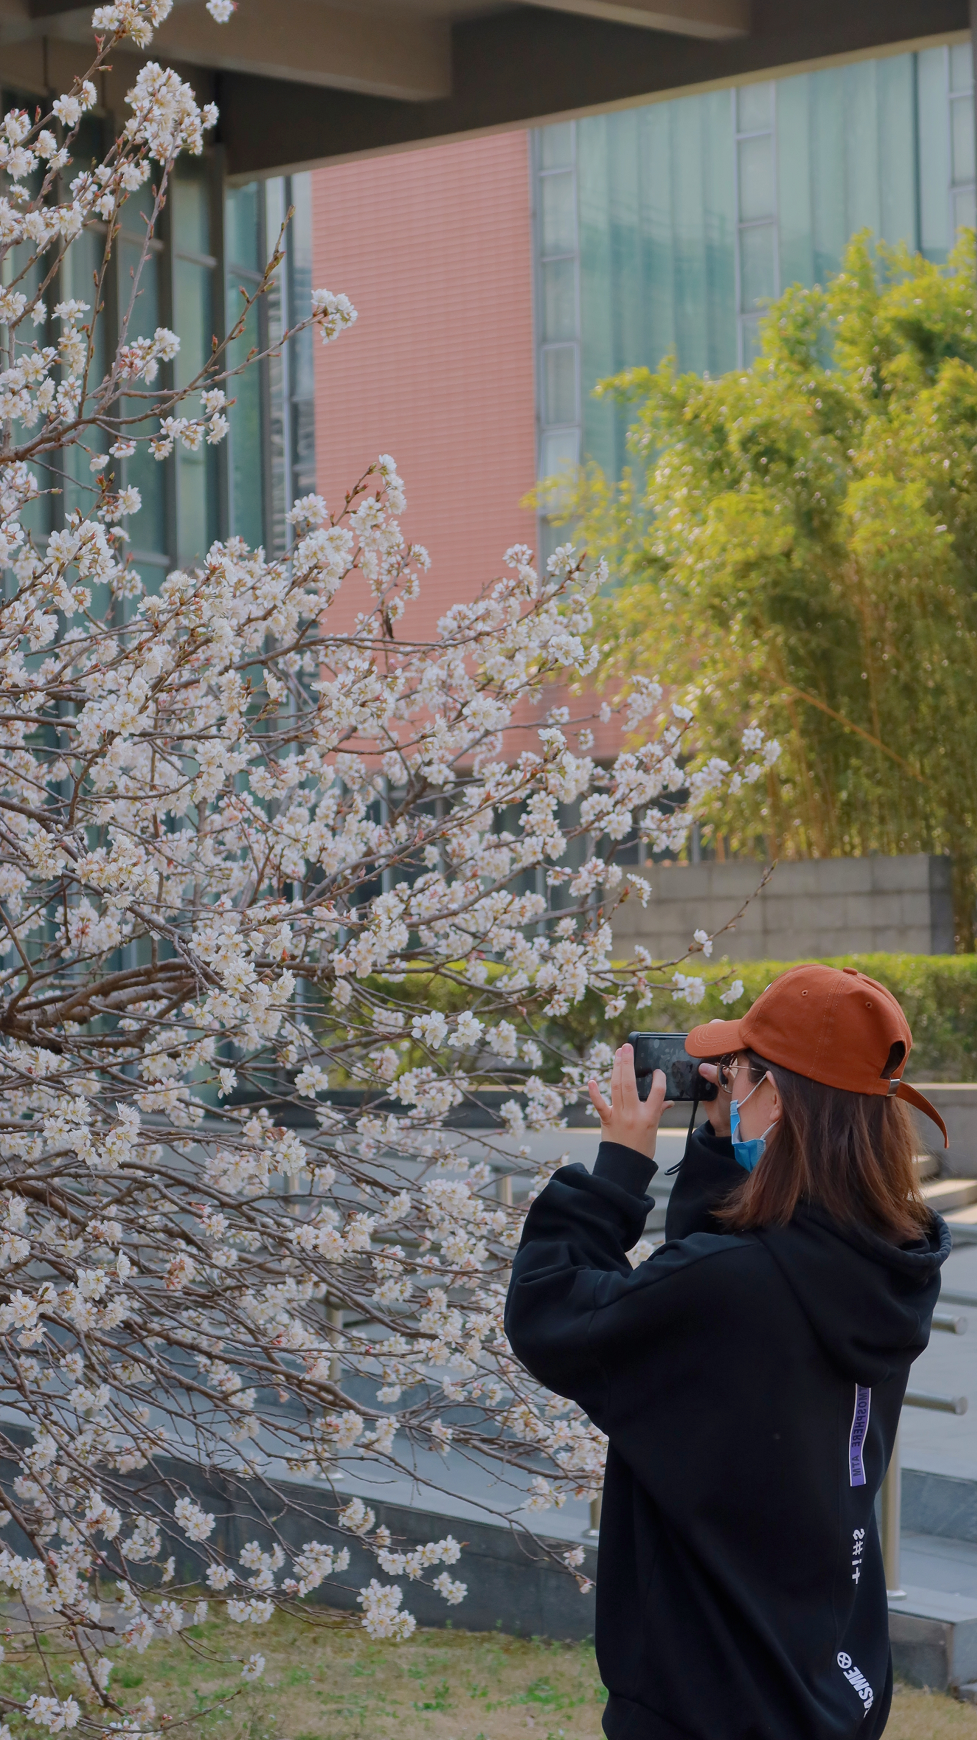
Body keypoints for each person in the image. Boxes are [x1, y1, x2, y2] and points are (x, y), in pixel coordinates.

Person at [504, 963, 951, 1740]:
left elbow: (551, 1314)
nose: (723, 1086)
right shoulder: (884, 1266)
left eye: (738, 1074)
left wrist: (619, 1173)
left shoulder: (731, 1287)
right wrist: (717, 1146)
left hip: (704, 1705)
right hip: (823, 1684)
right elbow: (711, 1309)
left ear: (776, 1096)